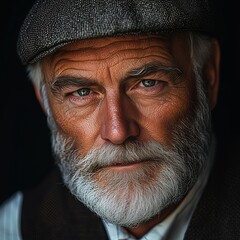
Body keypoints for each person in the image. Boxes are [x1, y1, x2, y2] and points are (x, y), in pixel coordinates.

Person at [0, 0, 239, 239]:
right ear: (45, 102)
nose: (117, 132)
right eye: (81, 93)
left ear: (208, 77)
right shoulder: (14, 229)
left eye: (149, 83)